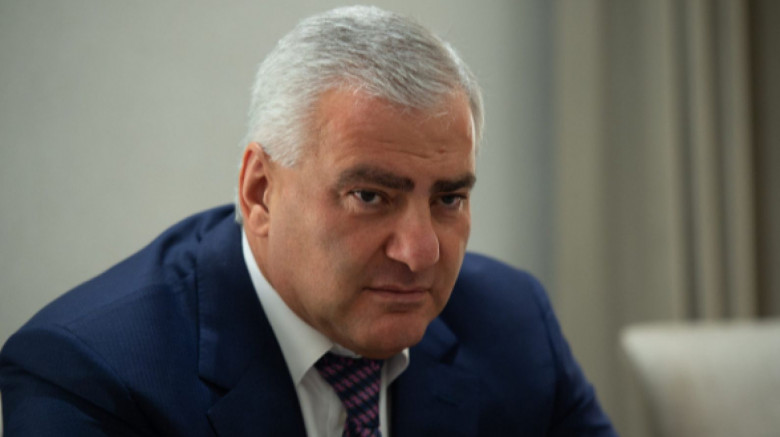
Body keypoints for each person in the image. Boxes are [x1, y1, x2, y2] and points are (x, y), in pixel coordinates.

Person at [0, 6, 617, 436]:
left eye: (448, 199)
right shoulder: (93, 375)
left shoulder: (513, 324)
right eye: (370, 196)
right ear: (260, 193)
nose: (420, 252)